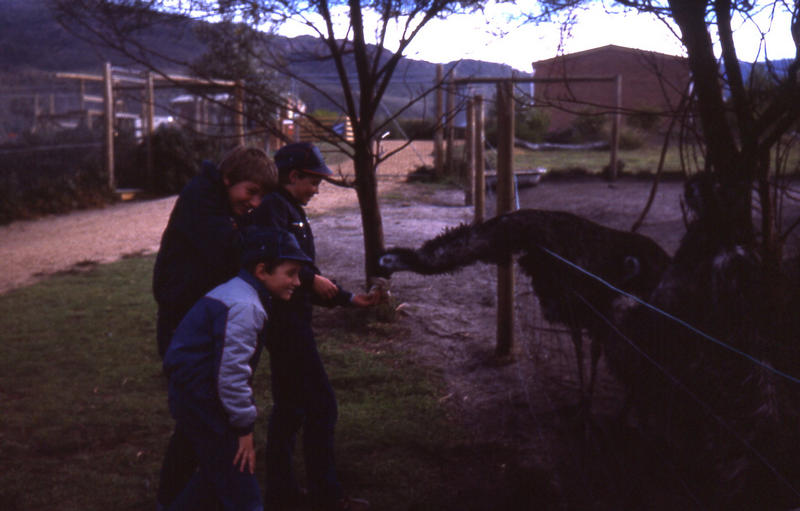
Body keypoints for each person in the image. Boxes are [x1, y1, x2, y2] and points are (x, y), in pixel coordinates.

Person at [251, 142, 377, 511]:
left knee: (291, 407)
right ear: (294, 176)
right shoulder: (275, 208)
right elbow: (277, 260)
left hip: (294, 319)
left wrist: (350, 299)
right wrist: (309, 279)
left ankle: (282, 491)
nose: (317, 190)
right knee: (321, 404)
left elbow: (305, 273)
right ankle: (326, 494)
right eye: (314, 182)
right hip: (285, 325)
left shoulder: (289, 210)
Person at [153, 145, 277, 508]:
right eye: (250, 192)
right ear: (227, 180)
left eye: (261, 196)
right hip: (184, 321)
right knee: (199, 415)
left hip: (205, 317)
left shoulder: (225, 204)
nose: (254, 202)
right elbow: (231, 249)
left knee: (203, 420)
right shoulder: (200, 200)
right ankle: (181, 496)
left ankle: (196, 493)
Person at [161, 226, 312, 511]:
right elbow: (230, 376)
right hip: (207, 402)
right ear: (262, 270)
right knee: (241, 481)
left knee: (216, 475)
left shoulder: (236, 292)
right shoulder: (245, 306)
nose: (297, 282)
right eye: (290, 273)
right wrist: (244, 427)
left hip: (195, 397)